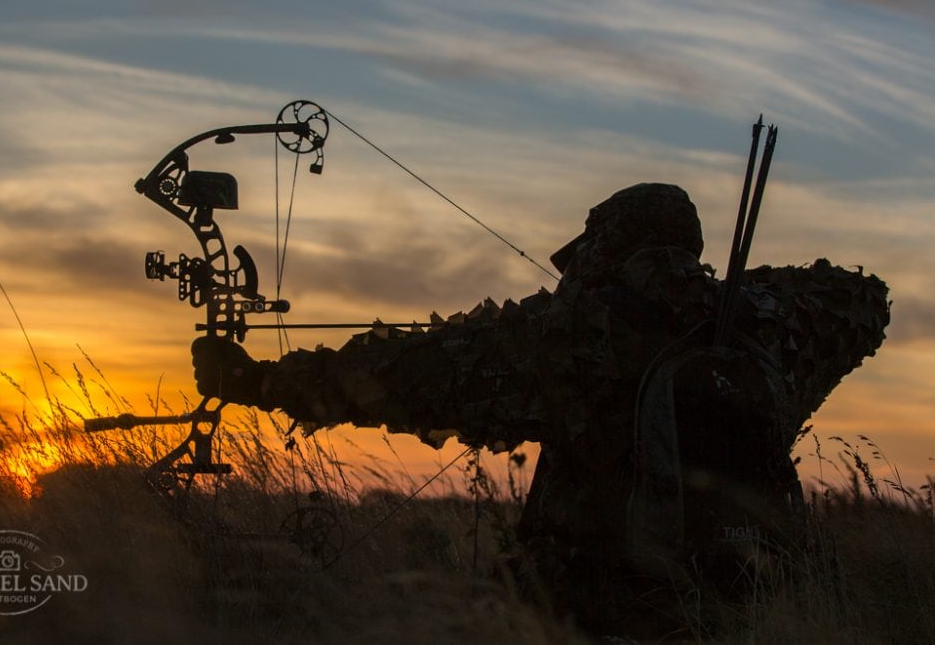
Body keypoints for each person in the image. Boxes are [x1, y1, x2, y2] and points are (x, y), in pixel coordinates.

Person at [192, 182, 889, 633]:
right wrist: (724, 300)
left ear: (607, 249)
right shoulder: (772, 328)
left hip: (603, 619)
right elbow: (866, 300)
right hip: (760, 615)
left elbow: (406, 375)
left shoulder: (577, 333)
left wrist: (256, 383)